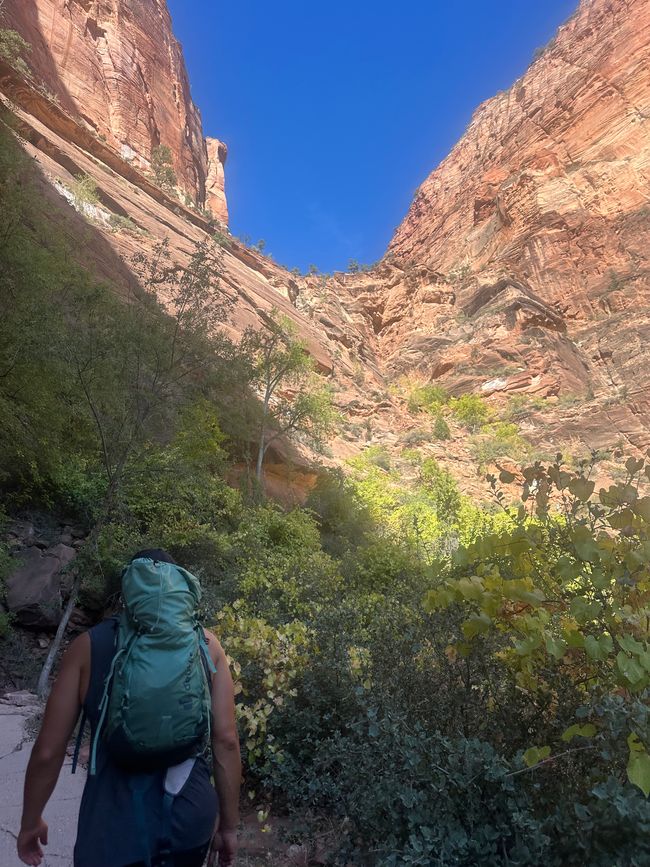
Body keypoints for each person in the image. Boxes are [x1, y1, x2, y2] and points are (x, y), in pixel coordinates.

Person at [17, 549, 241, 867]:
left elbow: (48, 752)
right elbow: (227, 740)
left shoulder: (87, 647)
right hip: (190, 821)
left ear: (128, 590)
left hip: (112, 832)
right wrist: (230, 827)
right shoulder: (207, 646)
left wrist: (30, 821)